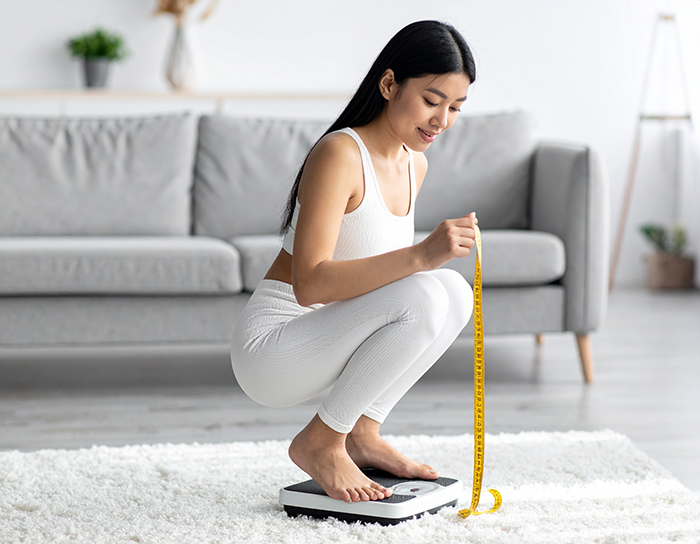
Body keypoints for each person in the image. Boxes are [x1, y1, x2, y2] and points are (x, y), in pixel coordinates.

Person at [231, 20, 478, 504]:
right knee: (427, 290)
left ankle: (362, 432)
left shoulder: (415, 163)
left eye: (455, 107)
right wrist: (422, 255)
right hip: (273, 351)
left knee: (454, 291)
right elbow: (310, 285)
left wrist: (426, 262)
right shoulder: (340, 154)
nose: (442, 121)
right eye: (431, 101)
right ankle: (321, 442)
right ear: (388, 84)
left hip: (328, 341)